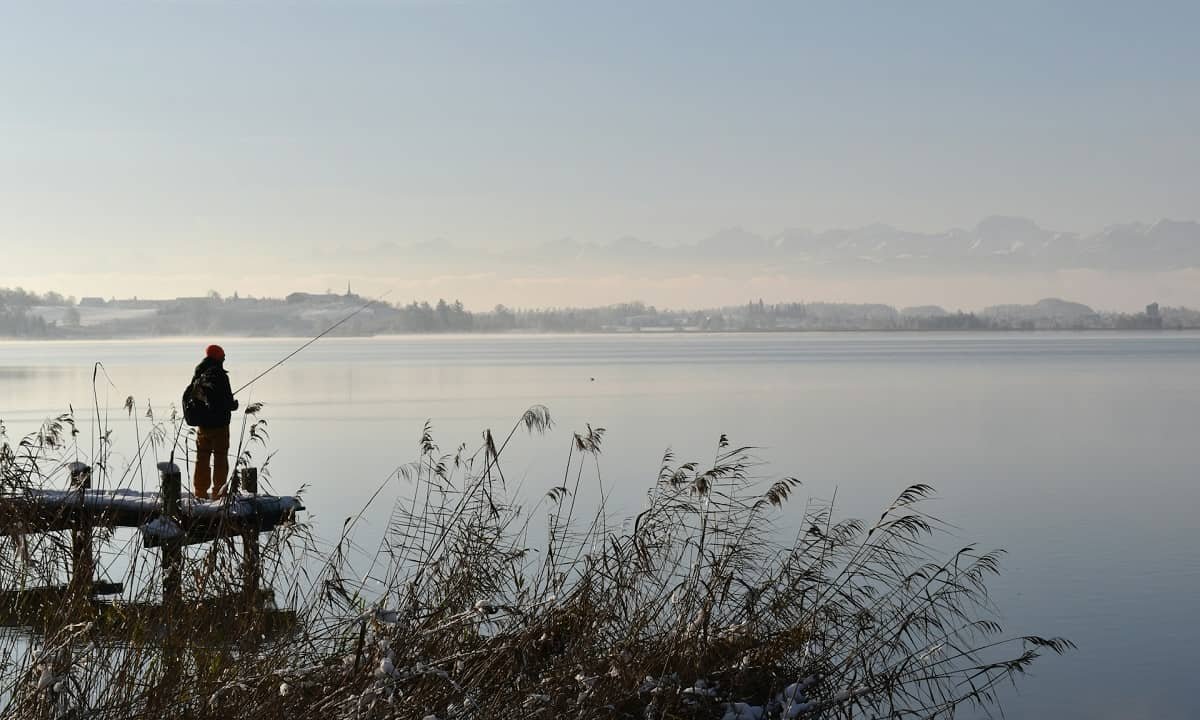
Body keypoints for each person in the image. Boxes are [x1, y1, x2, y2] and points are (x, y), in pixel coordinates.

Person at [190, 344, 239, 499]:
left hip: (203, 425)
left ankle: (200, 493)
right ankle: (218, 494)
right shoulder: (221, 376)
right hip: (220, 426)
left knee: (202, 458)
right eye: (223, 356)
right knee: (220, 458)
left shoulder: (199, 373)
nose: (224, 358)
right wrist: (234, 405)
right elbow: (227, 401)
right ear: (218, 357)